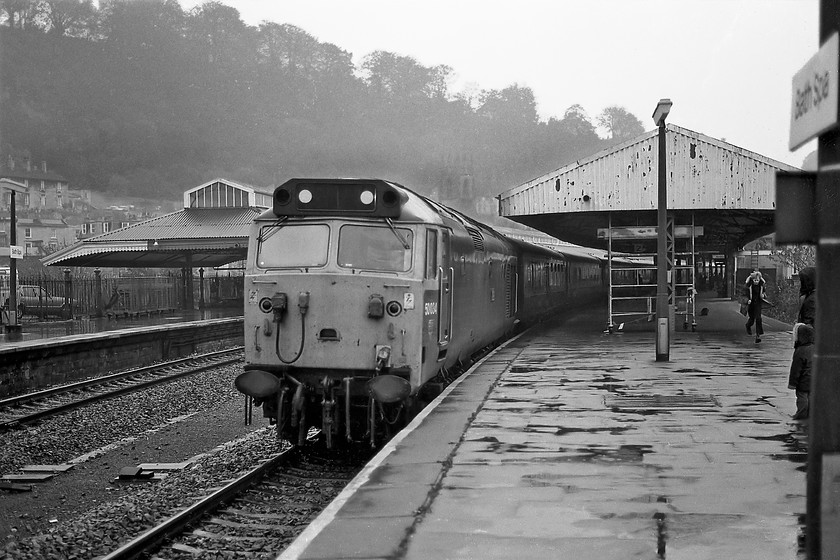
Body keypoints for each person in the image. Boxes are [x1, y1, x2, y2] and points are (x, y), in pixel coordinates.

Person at [788, 323, 815, 420]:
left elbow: (795, 369)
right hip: (814, 381)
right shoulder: (815, 348)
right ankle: (811, 414)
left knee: (802, 399)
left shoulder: (800, 351)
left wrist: (792, 384)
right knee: (811, 398)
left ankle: (801, 415)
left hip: (803, 381)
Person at [744, 271, 766, 343]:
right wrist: (748, 300)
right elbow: (744, 295)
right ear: (752, 280)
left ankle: (758, 335)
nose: (756, 282)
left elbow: (764, 293)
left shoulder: (761, 285)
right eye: (755, 280)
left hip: (758, 303)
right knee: (752, 318)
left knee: (758, 318)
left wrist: (763, 295)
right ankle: (748, 325)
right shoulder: (748, 286)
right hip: (751, 304)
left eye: (757, 280)